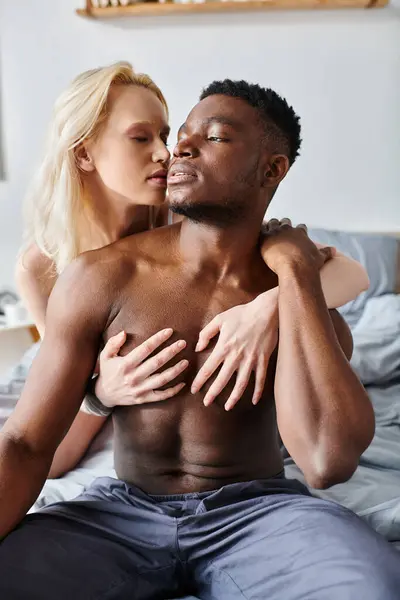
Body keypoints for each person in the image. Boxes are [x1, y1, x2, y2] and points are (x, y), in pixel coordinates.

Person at [0, 80, 398, 600]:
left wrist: (293, 274)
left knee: (370, 586)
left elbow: (327, 460)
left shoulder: (296, 290)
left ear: (272, 169)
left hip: (259, 511)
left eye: (214, 137)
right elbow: (28, 443)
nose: (179, 148)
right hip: (120, 511)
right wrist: (99, 395)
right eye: (181, 134)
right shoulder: (96, 276)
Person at [16, 62, 369, 478]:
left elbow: (352, 274)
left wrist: (265, 311)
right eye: (140, 138)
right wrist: (100, 396)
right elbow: (53, 445)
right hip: (136, 451)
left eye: (165, 135)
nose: (167, 153)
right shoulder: (45, 268)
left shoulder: (195, 217)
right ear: (84, 153)